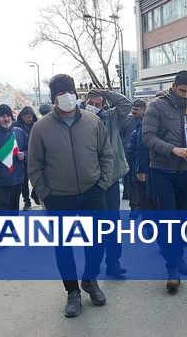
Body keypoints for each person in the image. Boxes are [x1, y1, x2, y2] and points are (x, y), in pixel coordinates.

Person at [28, 74, 113, 317]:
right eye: (60, 94)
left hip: (92, 193)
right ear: (53, 98)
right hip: (59, 197)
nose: (66, 97)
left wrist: (102, 185)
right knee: (64, 248)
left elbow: (106, 155)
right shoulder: (40, 128)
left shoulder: (92, 122)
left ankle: (90, 280)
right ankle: (72, 292)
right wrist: (47, 194)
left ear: (76, 94)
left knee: (97, 243)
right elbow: (34, 166)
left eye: (69, 92)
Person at [142, 70, 187, 291]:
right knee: (169, 221)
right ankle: (172, 268)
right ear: (174, 85)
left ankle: (179, 257)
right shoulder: (156, 106)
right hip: (162, 171)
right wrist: (173, 150)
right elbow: (147, 137)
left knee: (184, 218)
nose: (186, 95)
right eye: (182, 91)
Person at [84, 88, 131, 276]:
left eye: (98, 104)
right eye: (91, 104)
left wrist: (104, 92)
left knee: (112, 224)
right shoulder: (78, 120)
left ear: (104, 105)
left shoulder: (112, 118)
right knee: (93, 226)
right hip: (89, 182)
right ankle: (93, 266)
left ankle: (113, 262)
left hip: (110, 180)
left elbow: (126, 104)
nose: (94, 107)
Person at [121, 99, 147, 215]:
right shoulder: (127, 120)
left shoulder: (148, 121)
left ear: (143, 110)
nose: (133, 111)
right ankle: (134, 208)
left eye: (136, 110)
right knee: (131, 182)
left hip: (142, 157)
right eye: (132, 109)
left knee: (141, 183)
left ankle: (143, 207)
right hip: (129, 156)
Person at [13, 106, 40, 210]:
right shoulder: (16, 127)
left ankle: (35, 194)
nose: (30, 119)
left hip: (35, 157)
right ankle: (26, 201)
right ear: (23, 117)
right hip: (21, 158)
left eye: (31, 117)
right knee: (23, 181)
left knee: (37, 178)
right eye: (28, 117)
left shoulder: (35, 126)